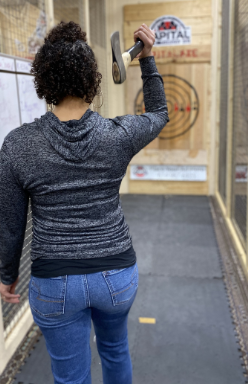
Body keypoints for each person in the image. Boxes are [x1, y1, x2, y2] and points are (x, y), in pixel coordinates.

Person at [0, 21, 167, 384]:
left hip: (54, 283)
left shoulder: (17, 145)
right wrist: (147, 59)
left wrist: (5, 276)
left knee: (70, 378)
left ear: (43, 81)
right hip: (117, 277)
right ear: (92, 80)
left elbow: (11, 223)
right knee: (115, 351)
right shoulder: (118, 135)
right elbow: (158, 114)